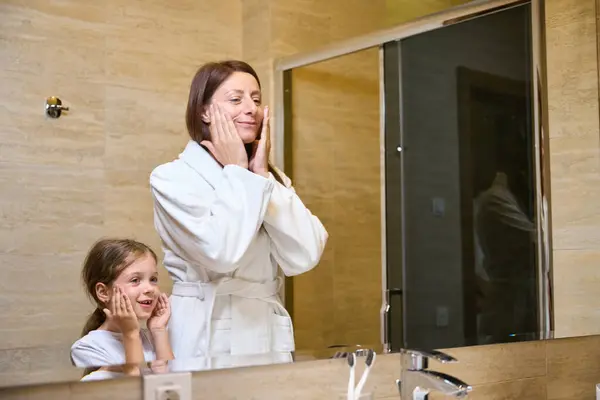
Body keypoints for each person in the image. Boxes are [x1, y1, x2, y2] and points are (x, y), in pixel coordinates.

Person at [149, 60, 328, 370]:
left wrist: (262, 177)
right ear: (204, 111)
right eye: (236, 99)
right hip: (205, 327)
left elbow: (306, 255)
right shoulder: (171, 178)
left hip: (265, 330)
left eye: (256, 99)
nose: (251, 108)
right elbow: (221, 253)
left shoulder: (269, 178)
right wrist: (240, 173)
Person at [70, 239, 174, 381]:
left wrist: (158, 330)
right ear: (104, 292)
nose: (150, 289)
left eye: (153, 279)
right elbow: (133, 389)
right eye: (135, 280)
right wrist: (130, 333)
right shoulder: (86, 348)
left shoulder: (150, 338)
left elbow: (170, 385)